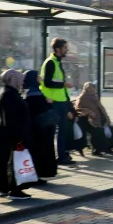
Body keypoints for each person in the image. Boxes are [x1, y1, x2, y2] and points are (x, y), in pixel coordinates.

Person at [0, 69, 35, 200]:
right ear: (13, 79)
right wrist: (18, 138)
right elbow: (11, 119)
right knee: (12, 162)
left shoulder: (10, 93)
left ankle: (5, 187)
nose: (23, 82)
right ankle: (15, 189)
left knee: (6, 161)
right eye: (20, 79)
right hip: (11, 134)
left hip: (8, 133)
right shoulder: (9, 95)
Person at [39, 37, 77, 165]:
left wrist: (68, 104)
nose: (67, 50)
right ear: (58, 49)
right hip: (53, 103)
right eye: (65, 47)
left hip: (60, 102)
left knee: (63, 132)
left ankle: (62, 156)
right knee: (53, 133)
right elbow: (48, 83)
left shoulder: (57, 62)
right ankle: (55, 158)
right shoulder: (50, 62)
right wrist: (63, 84)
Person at [23, 70, 58, 182]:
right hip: (40, 130)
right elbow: (39, 110)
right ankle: (38, 176)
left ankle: (37, 175)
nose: (40, 78)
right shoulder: (34, 94)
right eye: (37, 76)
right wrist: (47, 103)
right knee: (40, 153)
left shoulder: (29, 92)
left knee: (37, 152)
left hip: (36, 129)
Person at [74, 82, 113, 156]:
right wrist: (89, 112)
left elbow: (101, 108)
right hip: (87, 119)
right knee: (98, 131)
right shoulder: (82, 97)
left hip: (98, 118)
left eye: (93, 88)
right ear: (86, 89)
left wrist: (107, 117)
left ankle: (108, 148)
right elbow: (78, 109)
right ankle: (97, 150)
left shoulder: (94, 97)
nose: (92, 90)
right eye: (90, 88)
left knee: (109, 129)